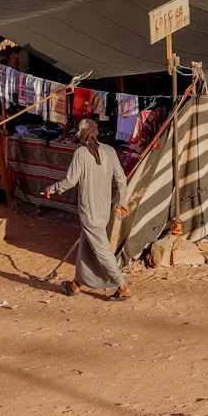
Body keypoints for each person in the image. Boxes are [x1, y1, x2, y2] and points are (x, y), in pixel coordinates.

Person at [45, 118, 131, 301]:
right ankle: (76, 284)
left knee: (101, 249)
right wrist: (122, 201)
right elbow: (122, 179)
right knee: (87, 245)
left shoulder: (81, 153)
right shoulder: (109, 151)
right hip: (103, 210)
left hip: (88, 211)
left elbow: (70, 181)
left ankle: (122, 286)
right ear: (96, 132)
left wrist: (52, 189)